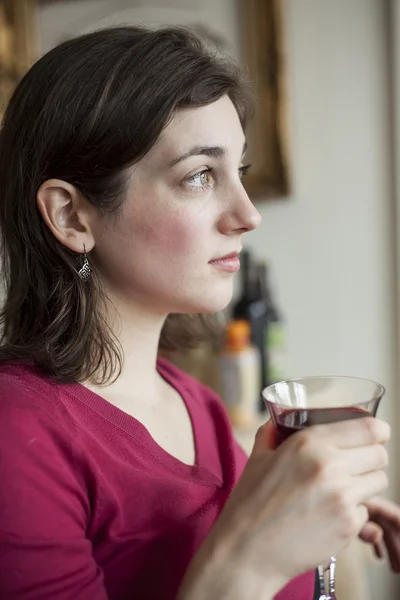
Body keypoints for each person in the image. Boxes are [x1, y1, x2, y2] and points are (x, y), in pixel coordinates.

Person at [0, 25, 398, 600]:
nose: (248, 214)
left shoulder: (202, 409)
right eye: (200, 176)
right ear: (72, 217)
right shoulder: (19, 435)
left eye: (239, 170)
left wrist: (312, 532)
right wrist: (251, 559)